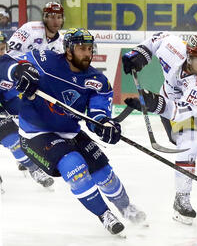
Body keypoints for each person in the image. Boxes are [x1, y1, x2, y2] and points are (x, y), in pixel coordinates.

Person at [0, 28, 146, 235]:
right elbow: (7, 63)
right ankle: (104, 214)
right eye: (81, 48)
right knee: (74, 167)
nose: (87, 53)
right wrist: (19, 71)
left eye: (89, 48)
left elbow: (96, 115)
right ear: (68, 50)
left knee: (105, 175)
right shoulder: (43, 59)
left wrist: (104, 126)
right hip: (36, 133)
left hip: (70, 132)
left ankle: (126, 208)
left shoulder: (98, 81)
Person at [121, 32, 197, 225]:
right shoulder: (174, 47)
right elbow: (157, 38)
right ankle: (181, 198)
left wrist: (152, 103)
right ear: (189, 57)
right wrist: (140, 54)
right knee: (190, 141)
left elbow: (180, 111)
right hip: (173, 112)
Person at [0, 30, 54, 189]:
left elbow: (10, 69)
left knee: (14, 139)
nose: (0, 53)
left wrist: (21, 74)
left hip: (7, 100)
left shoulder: (5, 61)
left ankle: (34, 168)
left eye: (2, 49)